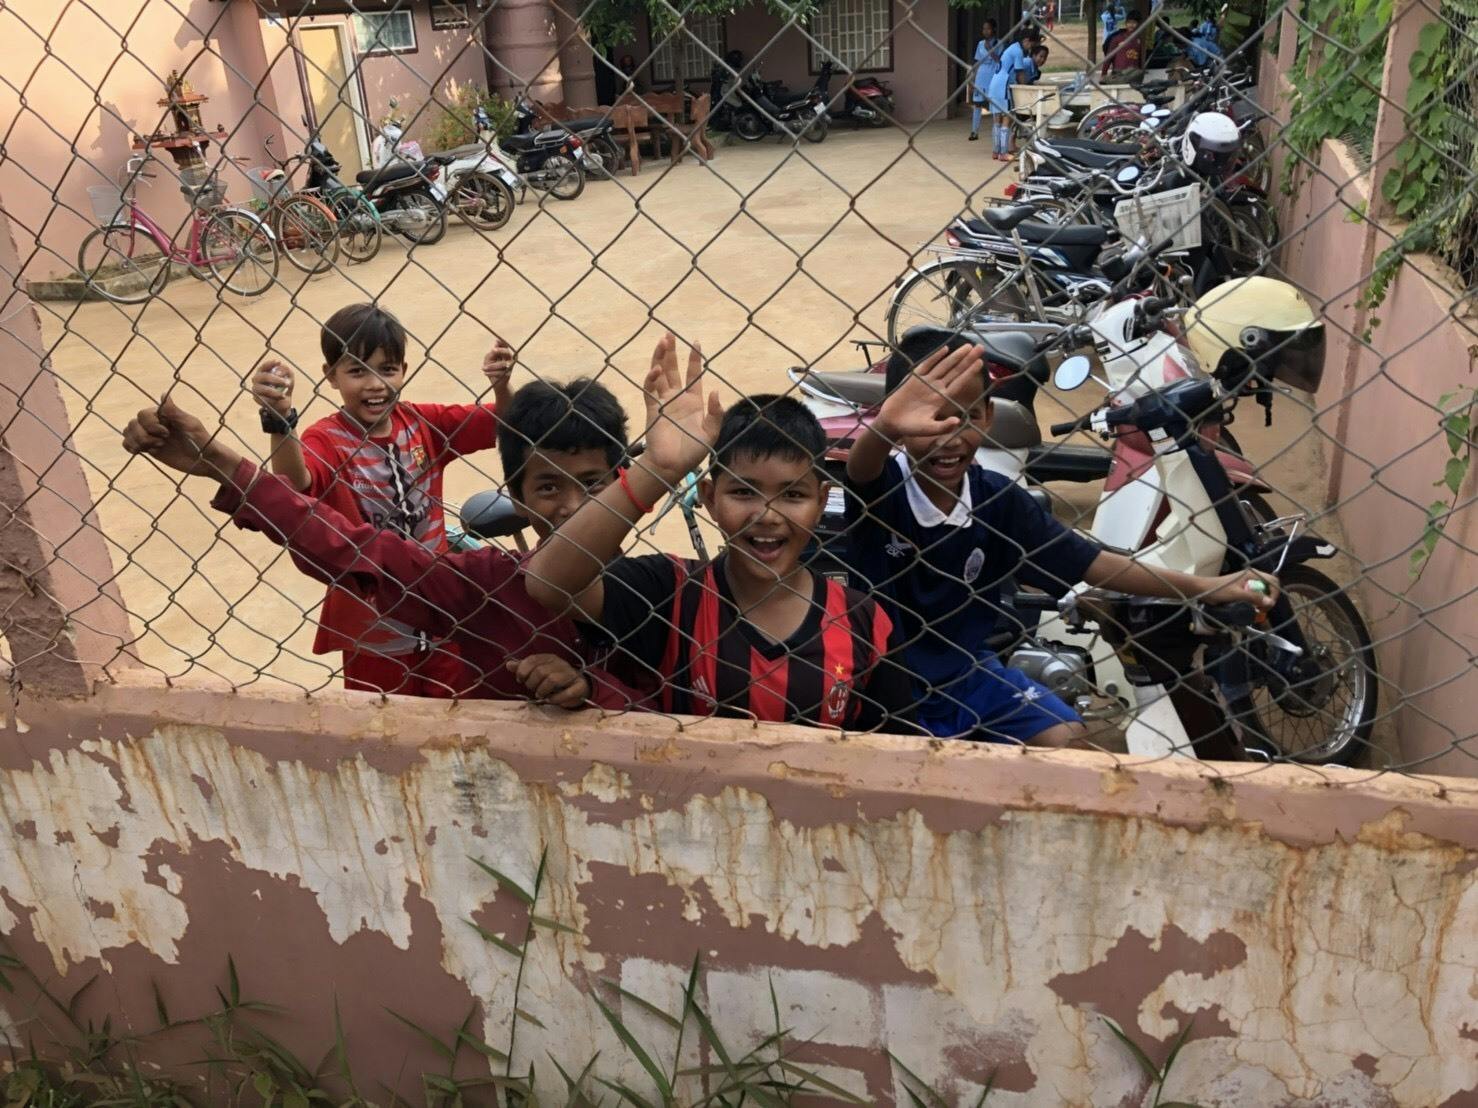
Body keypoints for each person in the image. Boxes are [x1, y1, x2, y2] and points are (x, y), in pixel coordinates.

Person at [842, 337, 1281, 748]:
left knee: (1068, 738)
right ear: (900, 419)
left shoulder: (998, 499)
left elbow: (1094, 563)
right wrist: (884, 427)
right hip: (886, 683)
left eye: (968, 415)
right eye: (931, 419)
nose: (950, 436)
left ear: (989, 415)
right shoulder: (883, 490)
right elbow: (860, 470)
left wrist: (1208, 587)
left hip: (968, 674)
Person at [123, 379, 647, 710]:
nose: (573, 508)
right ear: (518, 498)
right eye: (548, 488)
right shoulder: (487, 585)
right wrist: (220, 462)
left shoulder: (665, 585)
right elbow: (346, 545)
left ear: (627, 484)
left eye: (593, 484)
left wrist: (593, 689)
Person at [525, 335, 913, 731]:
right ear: (709, 497)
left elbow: (895, 746)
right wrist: (658, 469)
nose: (767, 515)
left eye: (793, 494)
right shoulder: (672, 594)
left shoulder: (864, 623)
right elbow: (549, 584)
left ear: (821, 502)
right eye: (743, 492)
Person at [248, 304, 513, 697]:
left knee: (456, 710)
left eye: (387, 369)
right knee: (382, 720)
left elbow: (503, 424)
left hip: (442, 615)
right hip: (373, 628)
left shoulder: (423, 423)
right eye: (357, 371)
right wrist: (279, 421)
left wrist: (501, 386)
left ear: (403, 370)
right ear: (331, 376)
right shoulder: (327, 439)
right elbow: (294, 483)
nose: (375, 384)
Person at [987, 30, 1042, 161]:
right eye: (1032, 44)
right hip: (1003, 86)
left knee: (997, 120)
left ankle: (996, 151)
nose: (1031, 48)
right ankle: (1003, 153)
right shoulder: (1018, 51)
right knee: (1007, 117)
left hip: (994, 84)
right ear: (1026, 41)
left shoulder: (1011, 48)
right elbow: (1020, 73)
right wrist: (1026, 88)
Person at [968, 19, 1001, 143]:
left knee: (994, 104)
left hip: (993, 75)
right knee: (977, 104)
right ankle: (974, 131)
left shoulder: (999, 43)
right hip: (981, 75)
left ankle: (996, 131)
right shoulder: (980, 44)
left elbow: (999, 60)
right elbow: (977, 61)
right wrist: (972, 79)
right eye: (984, 29)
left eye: (988, 28)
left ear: (994, 29)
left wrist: (990, 49)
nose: (986, 31)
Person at [1102, 10, 1144, 77]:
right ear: (1126, 23)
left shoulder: (1139, 40)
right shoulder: (1118, 38)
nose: (1131, 25)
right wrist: (1103, 74)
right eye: (1129, 22)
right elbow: (1108, 58)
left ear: (1138, 24)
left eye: (1134, 22)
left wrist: (1140, 72)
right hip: (1119, 73)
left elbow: (1140, 60)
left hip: (1133, 74)